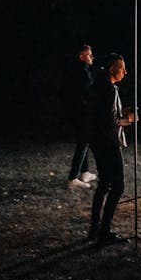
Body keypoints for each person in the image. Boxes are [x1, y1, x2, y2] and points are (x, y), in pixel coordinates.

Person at [87, 53, 135, 246]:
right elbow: (109, 121)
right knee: (117, 186)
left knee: (104, 183)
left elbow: (103, 115)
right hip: (108, 143)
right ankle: (104, 231)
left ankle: (95, 228)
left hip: (98, 141)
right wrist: (129, 120)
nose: (125, 71)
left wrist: (122, 114)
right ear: (112, 69)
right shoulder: (108, 89)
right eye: (121, 67)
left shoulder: (97, 87)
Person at [61, 43, 97, 189]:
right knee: (83, 143)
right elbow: (89, 94)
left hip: (75, 112)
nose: (92, 57)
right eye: (89, 55)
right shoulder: (83, 72)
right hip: (82, 113)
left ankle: (84, 172)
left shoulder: (74, 70)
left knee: (84, 142)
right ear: (82, 57)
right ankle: (72, 178)